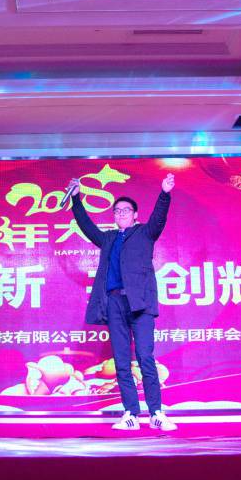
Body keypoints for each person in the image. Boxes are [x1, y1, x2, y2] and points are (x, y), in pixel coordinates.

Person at [67, 173, 178, 431]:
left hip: (141, 304)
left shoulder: (145, 233)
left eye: (126, 210)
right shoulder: (108, 238)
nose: (121, 214)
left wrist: (164, 193)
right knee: (121, 360)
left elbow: (159, 217)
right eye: (117, 211)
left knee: (145, 357)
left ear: (135, 215)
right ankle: (131, 413)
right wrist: (76, 199)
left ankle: (156, 413)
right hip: (115, 303)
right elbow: (86, 226)